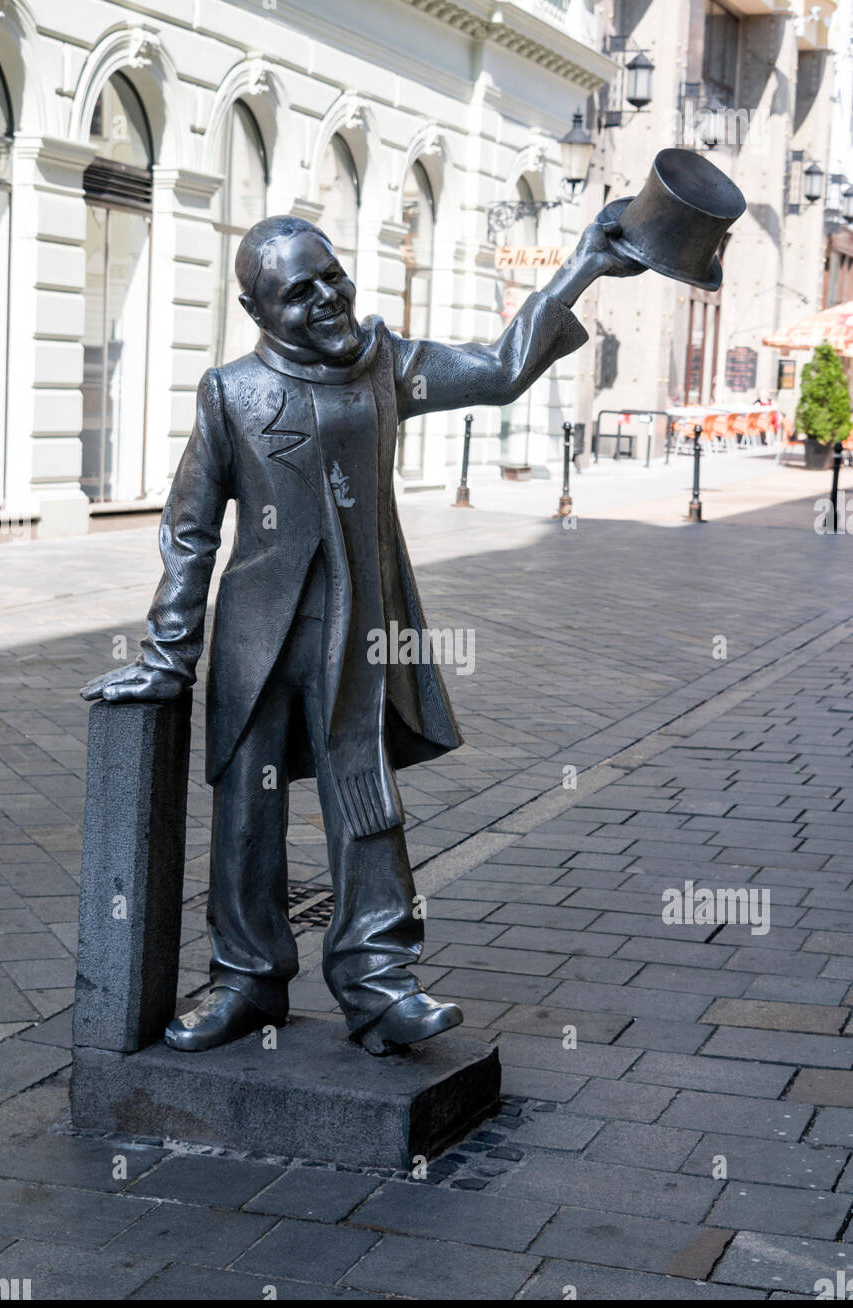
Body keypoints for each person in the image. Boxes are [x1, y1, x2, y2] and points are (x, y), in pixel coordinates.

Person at [81, 213, 643, 1055]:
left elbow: (497, 370)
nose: (326, 298)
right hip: (256, 635)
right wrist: (167, 656)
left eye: (332, 276)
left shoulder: (387, 364)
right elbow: (189, 530)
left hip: (360, 626)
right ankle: (245, 981)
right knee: (246, 810)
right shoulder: (229, 392)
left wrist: (581, 267)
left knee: (364, 796)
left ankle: (379, 987)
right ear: (256, 308)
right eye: (297, 292)